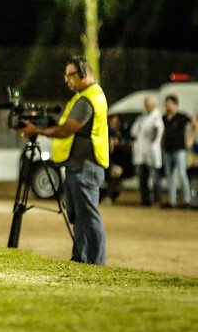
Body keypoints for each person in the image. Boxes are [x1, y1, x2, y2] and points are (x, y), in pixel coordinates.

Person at [17, 55, 108, 265]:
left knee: (87, 217)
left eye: (71, 75)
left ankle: (94, 262)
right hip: (80, 166)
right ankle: (82, 258)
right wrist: (42, 123)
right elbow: (67, 124)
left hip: (86, 166)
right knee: (79, 217)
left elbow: (69, 128)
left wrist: (38, 130)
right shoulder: (85, 96)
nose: (67, 81)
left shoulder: (87, 99)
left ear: (84, 73)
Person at [130, 96, 164, 206]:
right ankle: (145, 200)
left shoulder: (157, 117)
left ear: (153, 104)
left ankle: (157, 200)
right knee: (142, 177)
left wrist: (145, 133)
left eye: (148, 103)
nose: (146, 105)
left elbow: (155, 132)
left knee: (154, 177)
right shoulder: (142, 117)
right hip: (141, 151)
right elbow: (133, 131)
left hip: (151, 150)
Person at [161, 95, 192, 209]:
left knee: (182, 174)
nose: (166, 106)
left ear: (175, 104)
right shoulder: (164, 118)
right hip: (168, 150)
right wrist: (162, 143)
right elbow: (163, 132)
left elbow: (195, 125)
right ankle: (172, 201)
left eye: (168, 103)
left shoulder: (181, 117)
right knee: (170, 176)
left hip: (180, 150)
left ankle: (187, 200)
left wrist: (190, 140)